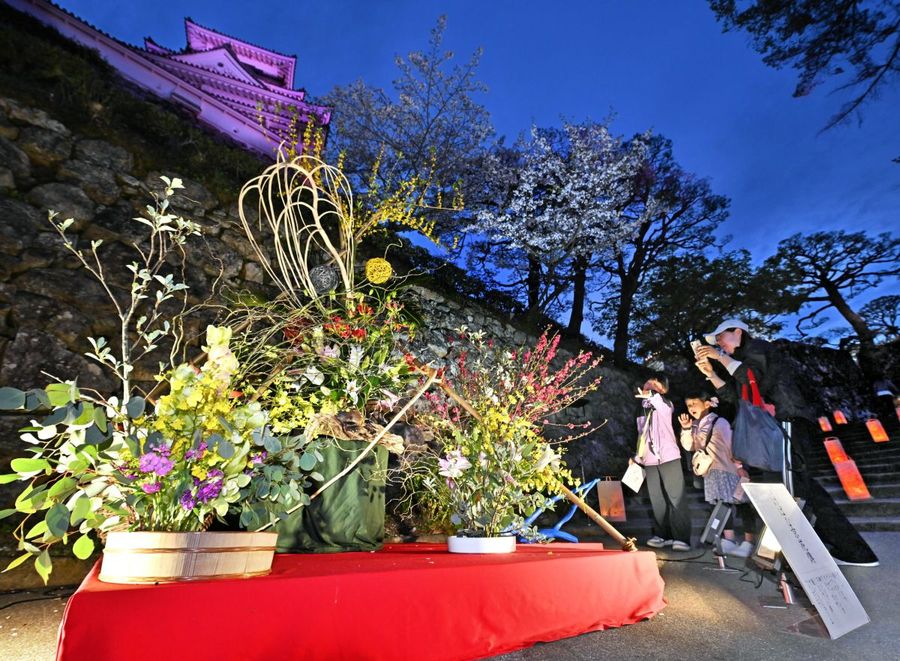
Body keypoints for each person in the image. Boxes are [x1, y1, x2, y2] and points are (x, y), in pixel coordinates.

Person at [694, 318, 879, 567]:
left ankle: (853, 551)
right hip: (771, 430)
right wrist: (712, 374)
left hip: (787, 422)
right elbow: (735, 397)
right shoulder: (740, 362)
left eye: (720, 337)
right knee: (788, 488)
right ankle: (816, 550)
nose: (719, 343)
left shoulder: (759, 348)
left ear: (738, 331)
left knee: (799, 486)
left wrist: (719, 357)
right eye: (716, 341)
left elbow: (753, 378)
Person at [678, 390, 753, 557]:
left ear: (707, 404)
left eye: (694, 403)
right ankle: (729, 540)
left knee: (742, 504)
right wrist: (686, 429)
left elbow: (731, 444)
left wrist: (739, 465)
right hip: (712, 471)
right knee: (721, 505)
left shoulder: (720, 422)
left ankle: (748, 542)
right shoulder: (695, 425)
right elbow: (689, 446)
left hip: (729, 469)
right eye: (688, 405)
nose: (691, 408)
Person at [632, 374, 692, 551]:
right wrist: (637, 457)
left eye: (654, 384)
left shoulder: (666, 404)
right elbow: (641, 435)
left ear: (663, 390)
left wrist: (652, 396)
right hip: (650, 460)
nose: (649, 385)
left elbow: (660, 403)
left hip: (669, 457)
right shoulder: (640, 409)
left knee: (676, 498)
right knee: (657, 500)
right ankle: (662, 535)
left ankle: (682, 538)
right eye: (647, 382)